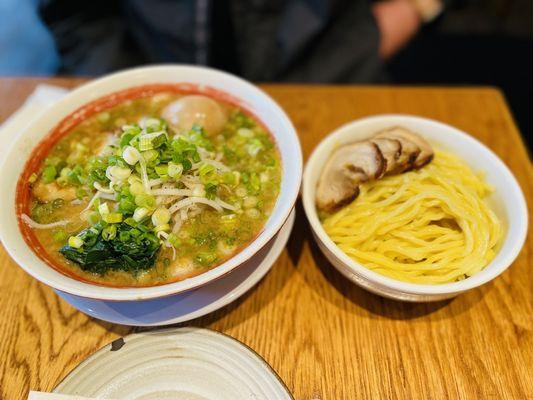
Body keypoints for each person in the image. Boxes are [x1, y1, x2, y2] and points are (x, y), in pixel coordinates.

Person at [0, 0, 443, 82]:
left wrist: (414, 8)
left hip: (336, 61)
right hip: (151, 65)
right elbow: (79, 13)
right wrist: (128, 86)